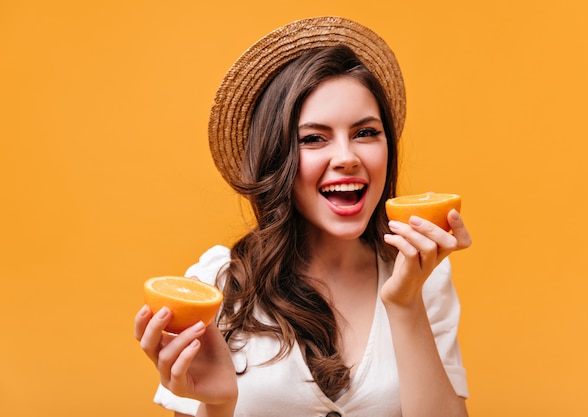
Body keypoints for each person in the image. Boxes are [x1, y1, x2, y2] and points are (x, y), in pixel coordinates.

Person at [134, 16, 472, 417]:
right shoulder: (216, 287)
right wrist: (219, 404)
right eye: (313, 139)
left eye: (365, 133)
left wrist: (405, 303)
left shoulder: (421, 278)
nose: (347, 157)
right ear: (279, 159)